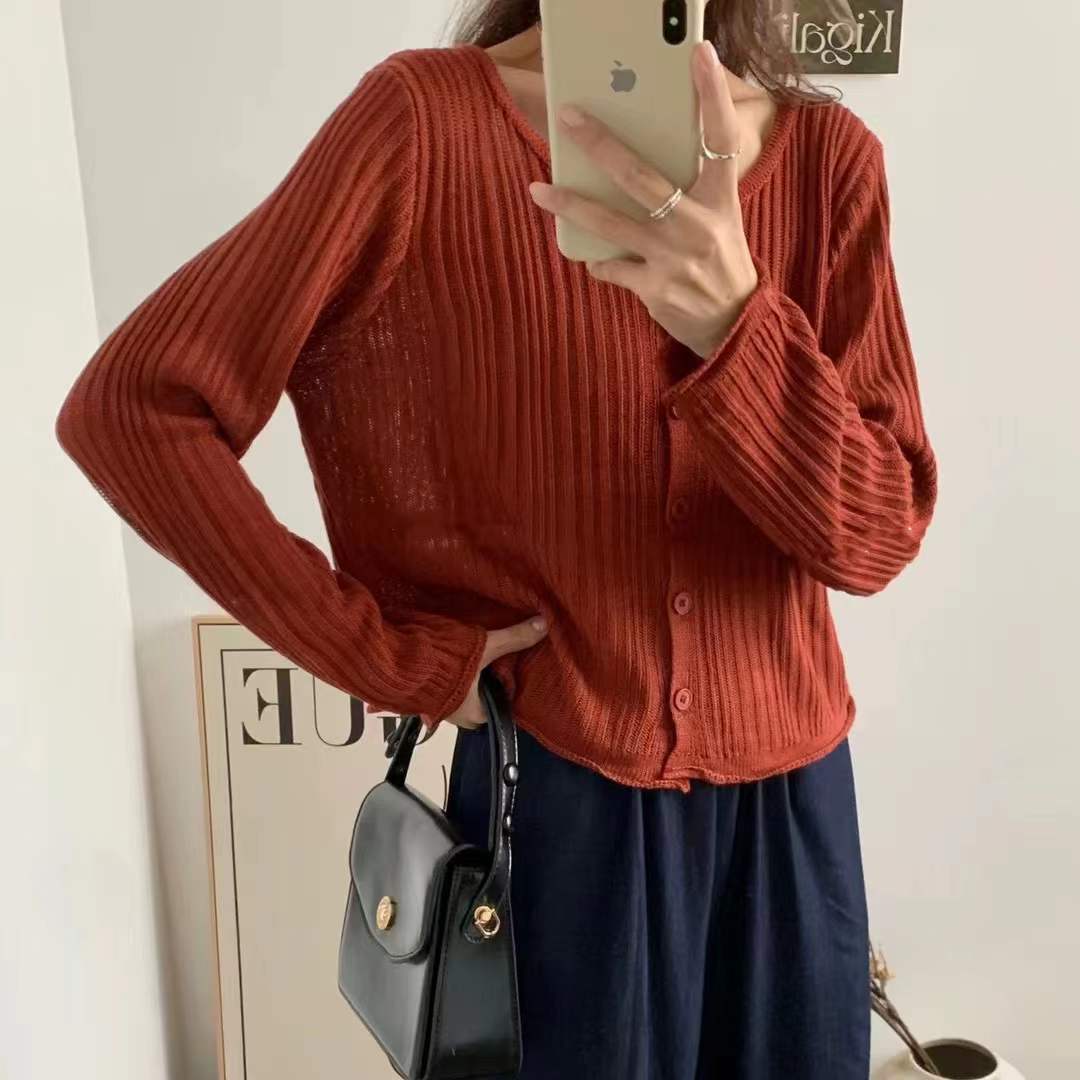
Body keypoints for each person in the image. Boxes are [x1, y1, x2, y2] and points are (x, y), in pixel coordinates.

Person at [54, 5, 937, 1078]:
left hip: (794, 822)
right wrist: (390, 657)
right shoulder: (421, 129)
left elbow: (878, 533)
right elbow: (135, 411)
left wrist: (736, 325)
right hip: (560, 814)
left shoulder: (831, 162)